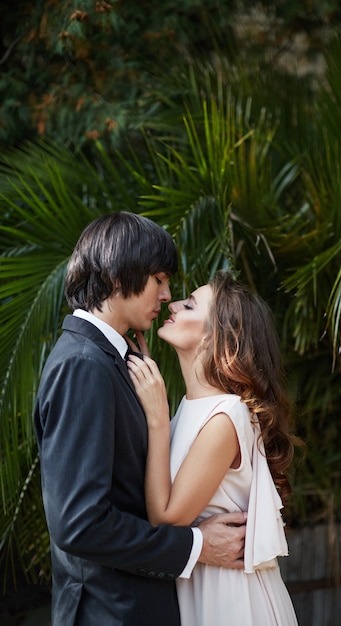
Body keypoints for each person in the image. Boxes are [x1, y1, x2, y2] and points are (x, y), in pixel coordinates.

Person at [34, 213, 247, 626]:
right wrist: (196, 546)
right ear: (118, 277)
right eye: (159, 279)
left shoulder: (113, 361)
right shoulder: (83, 365)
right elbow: (80, 524)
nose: (167, 294)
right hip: (109, 611)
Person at [127, 270, 300, 626]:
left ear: (216, 337)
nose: (172, 303)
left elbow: (166, 517)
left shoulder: (227, 415)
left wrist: (156, 416)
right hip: (200, 587)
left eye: (189, 305)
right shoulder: (190, 410)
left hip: (232, 600)